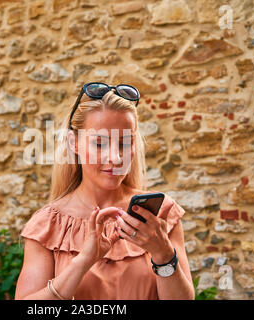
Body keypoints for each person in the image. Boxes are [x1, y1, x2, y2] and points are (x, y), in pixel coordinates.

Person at [15, 83, 194, 300]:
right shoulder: (47, 225)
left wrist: (164, 254)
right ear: (74, 143)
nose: (116, 158)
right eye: (99, 144)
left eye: (124, 143)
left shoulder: (161, 213)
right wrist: (84, 261)